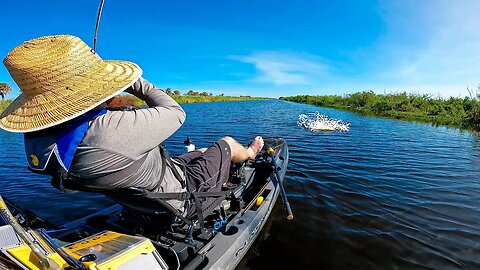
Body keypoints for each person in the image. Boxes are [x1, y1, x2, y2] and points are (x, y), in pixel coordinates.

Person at [0, 35, 264, 217]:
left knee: (204, 150)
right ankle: (250, 152)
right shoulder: (108, 130)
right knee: (227, 143)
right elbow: (176, 112)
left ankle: (215, 158)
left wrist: (103, 95)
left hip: (142, 196)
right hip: (181, 197)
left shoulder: (37, 141)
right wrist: (133, 82)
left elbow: (94, 131)